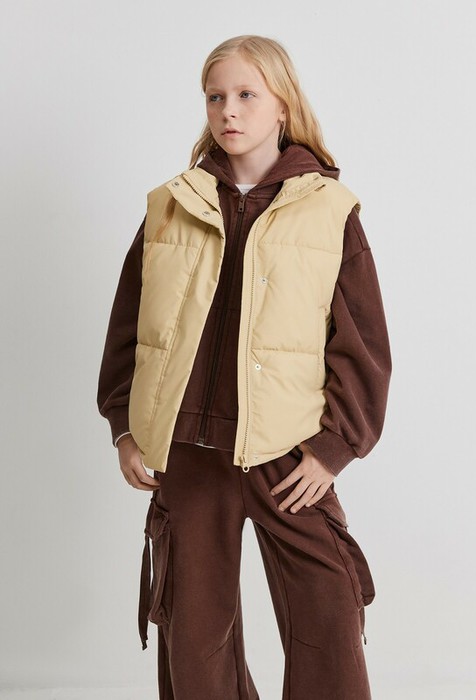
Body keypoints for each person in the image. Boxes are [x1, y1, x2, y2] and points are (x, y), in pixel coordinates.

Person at [97, 34, 392, 700]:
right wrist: (125, 427)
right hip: (188, 451)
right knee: (195, 637)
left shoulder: (328, 210)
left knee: (328, 614)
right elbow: (129, 328)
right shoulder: (170, 204)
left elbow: (363, 344)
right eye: (215, 97)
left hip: (287, 451)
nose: (228, 110)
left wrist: (334, 448)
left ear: (282, 104)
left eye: (245, 95)